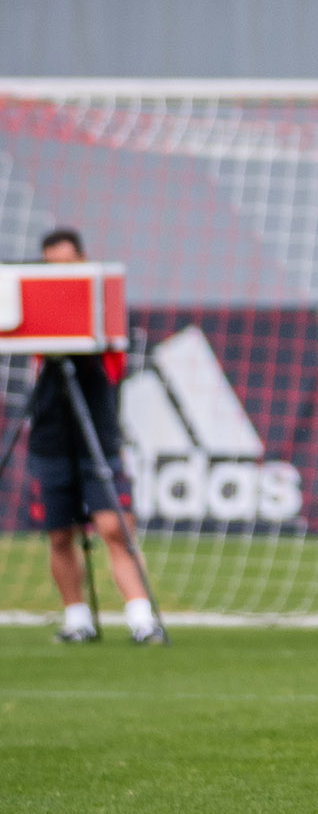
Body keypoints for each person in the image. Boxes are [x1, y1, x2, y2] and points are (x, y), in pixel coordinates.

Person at [26, 228, 160, 644]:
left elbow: (111, 361)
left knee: (115, 528)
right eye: (52, 268)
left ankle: (141, 619)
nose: (60, 275)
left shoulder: (104, 313)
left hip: (97, 441)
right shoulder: (38, 321)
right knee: (59, 533)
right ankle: (77, 618)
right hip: (50, 440)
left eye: (67, 265)